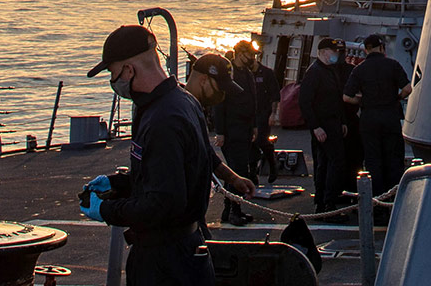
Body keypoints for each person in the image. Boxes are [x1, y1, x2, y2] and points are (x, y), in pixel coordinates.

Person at [81, 24, 217, 286]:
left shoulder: (162, 119)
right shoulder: (183, 101)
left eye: (113, 73)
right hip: (186, 253)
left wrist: (106, 210)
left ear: (129, 70)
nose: (114, 81)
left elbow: (163, 203)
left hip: (166, 264)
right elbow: (171, 176)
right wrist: (118, 184)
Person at [187, 53, 258, 226]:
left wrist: (234, 179)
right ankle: (232, 211)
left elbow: (207, 154)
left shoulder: (194, 108)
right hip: (179, 220)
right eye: (220, 88)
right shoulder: (179, 112)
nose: (222, 95)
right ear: (204, 80)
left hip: (193, 218)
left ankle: (229, 211)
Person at [342, 33, 411, 199]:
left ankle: (376, 199)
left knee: (373, 159)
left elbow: (346, 97)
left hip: (369, 118)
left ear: (366, 50)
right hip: (390, 116)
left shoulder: (359, 69)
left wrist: (362, 100)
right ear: (381, 48)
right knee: (393, 158)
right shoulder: (393, 65)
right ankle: (394, 198)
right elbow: (407, 88)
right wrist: (397, 98)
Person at [298, 37, 351, 211]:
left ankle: (323, 201)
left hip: (333, 122)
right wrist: (315, 127)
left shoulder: (330, 70)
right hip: (323, 124)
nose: (336, 54)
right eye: (332, 51)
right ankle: (328, 202)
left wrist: (342, 121)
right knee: (334, 162)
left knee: (327, 163)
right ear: (322, 52)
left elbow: (336, 99)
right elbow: (305, 102)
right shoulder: (314, 72)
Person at [241, 42, 283, 183]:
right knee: (251, 142)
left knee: (261, 140)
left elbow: (275, 95)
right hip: (249, 114)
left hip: (263, 112)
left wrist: (273, 114)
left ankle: (272, 165)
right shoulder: (245, 74)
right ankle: (253, 173)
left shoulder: (267, 73)